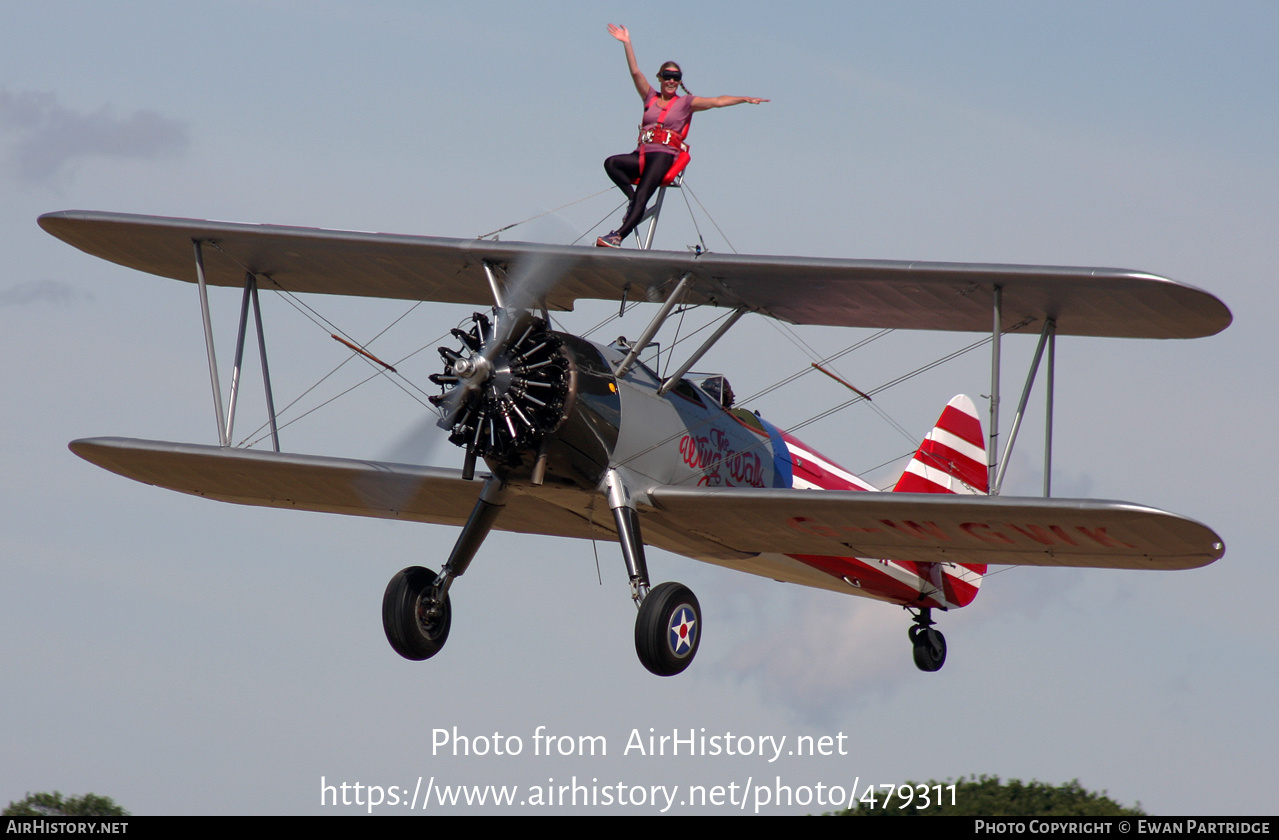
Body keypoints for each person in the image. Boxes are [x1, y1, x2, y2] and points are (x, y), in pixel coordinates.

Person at [597, 24, 769, 248]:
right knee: (612, 164)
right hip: (642, 154)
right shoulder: (649, 97)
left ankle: (618, 235)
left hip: (662, 156)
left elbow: (717, 101)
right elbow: (635, 72)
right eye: (667, 76)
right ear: (660, 77)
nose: (671, 81)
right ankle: (631, 202)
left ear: (679, 81)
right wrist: (627, 43)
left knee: (644, 195)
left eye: (675, 77)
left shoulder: (686, 103)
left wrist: (744, 98)